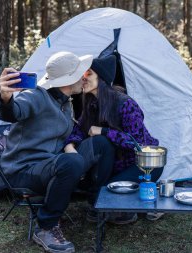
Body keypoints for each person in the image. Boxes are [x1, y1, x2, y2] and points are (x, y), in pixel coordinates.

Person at [0, 51, 93, 253]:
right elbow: (14, 112)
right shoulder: (36, 95)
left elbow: (63, 134)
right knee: (72, 163)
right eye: (80, 73)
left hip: (48, 165)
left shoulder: (65, 103)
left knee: (99, 144)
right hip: (23, 170)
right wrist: (5, 97)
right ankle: (46, 227)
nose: (84, 76)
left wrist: (74, 145)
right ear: (68, 79)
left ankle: (98, 205)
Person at [64, 55, 163, 224]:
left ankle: (154, 197)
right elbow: (79, 130)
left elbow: (138, 144)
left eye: (88, 73)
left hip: (141, 164)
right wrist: (70, 146)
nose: (83, 78)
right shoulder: (90, 102)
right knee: (102, 190)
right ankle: (108, 204)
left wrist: (104, 131)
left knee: (109, 192)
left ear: (101, 78)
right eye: (82, 74)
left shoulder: (125, 104)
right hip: (114, 164)